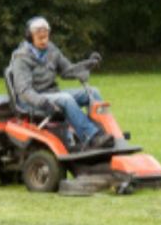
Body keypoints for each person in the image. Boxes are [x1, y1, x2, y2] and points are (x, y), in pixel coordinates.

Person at [9, 16, 115, 150]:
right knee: (66, 99)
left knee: (93, 92)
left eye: (46, 37)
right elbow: (23, 91)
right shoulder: (21, 58)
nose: (44, 41)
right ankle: (91, 137)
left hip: (52, 94)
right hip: (33, 100)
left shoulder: (51, 50)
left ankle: (103, 134)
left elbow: (67, 71)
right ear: (30, 38)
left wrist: (88, 64)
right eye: (40, 38)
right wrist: (42, 102)